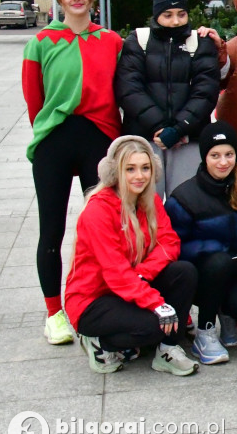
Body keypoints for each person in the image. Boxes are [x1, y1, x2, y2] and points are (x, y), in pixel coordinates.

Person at [22, 0, 123, 346]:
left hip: (98, 141)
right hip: (55, 143)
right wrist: (47, 136)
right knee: (52, 229)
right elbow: (35, 101)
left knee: (104, 227)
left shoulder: (111, 40)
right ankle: (54, 313)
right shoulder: (42, 42)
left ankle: (98, 298)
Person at [64, 136, 199, 376]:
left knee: (184, 271)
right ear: (115, 172)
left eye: (145, 168)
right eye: (130, 169)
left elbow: (169, 242)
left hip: (132, 283)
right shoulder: (98, 210)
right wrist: (157, 304)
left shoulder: (150, 200)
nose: (140, 176)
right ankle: (98, 341)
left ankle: (167, 349)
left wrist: (143, 274)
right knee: (155, 325)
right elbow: (115, 273)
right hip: (95, 299)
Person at [165, 121, 237, 365]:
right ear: (204, 157)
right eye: (215, 155)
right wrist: (213, 250)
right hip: (203, 274)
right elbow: (173, 246)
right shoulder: (184, 197)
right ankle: (205, 331)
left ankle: (229, 313)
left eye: (229, 154)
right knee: (220, 262)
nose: (223, 162)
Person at [114, 0, 220, 196]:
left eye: (181, 14)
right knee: (144, 203)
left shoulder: (200, 42)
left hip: (187, 138)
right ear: (156, 15)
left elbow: (206, 91)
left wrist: (179, 128)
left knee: (184, 202)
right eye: (168, 15)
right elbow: (129, 88)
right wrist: (162, 127)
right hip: (146, 138)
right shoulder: (138, 41)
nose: (176, 21)